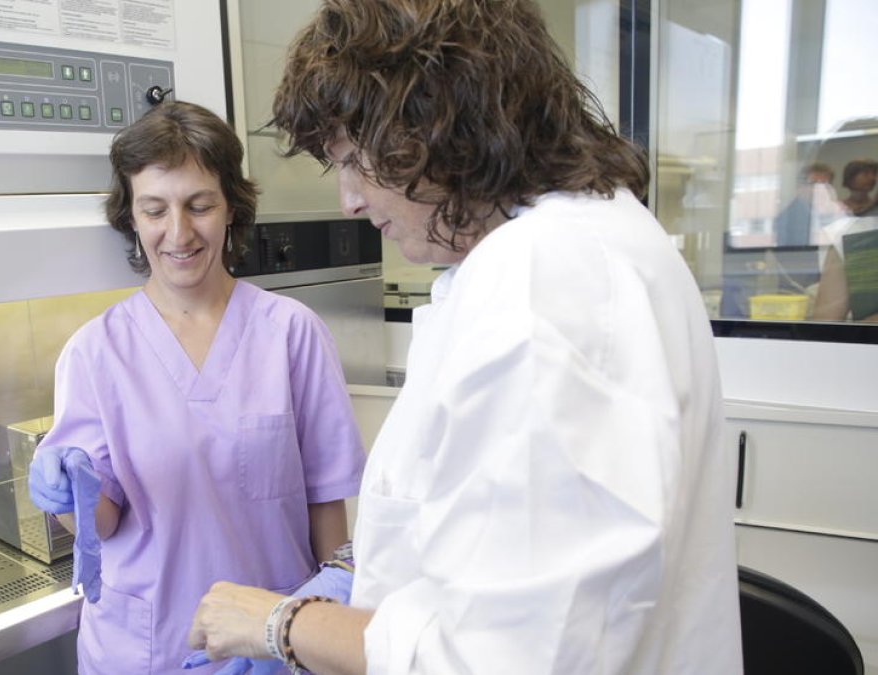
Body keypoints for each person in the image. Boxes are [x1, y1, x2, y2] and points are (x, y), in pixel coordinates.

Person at [187, 1, 743, 673]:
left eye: (355, 160)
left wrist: (282, 621)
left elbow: (500, 657)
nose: (349, 201)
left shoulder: (542, 284)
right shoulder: (578, 242)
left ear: (439, 127)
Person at [28, 100, 366, 674]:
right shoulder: (95, 351)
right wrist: (69, 494)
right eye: (154, 209)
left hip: (267, 645)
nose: (178, 232)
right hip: (143, 650)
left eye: (199, 205)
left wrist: (318, 622)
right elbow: (101, 523)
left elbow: (325, 510)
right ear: (130, 218)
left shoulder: (290, 333)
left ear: (231, 206)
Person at [773, 162, 844, 247]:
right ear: (800, 187)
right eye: (813, 183)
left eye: (824, 184)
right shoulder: (788, 218)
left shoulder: (836, 211)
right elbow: (789, 255)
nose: (819, 189)